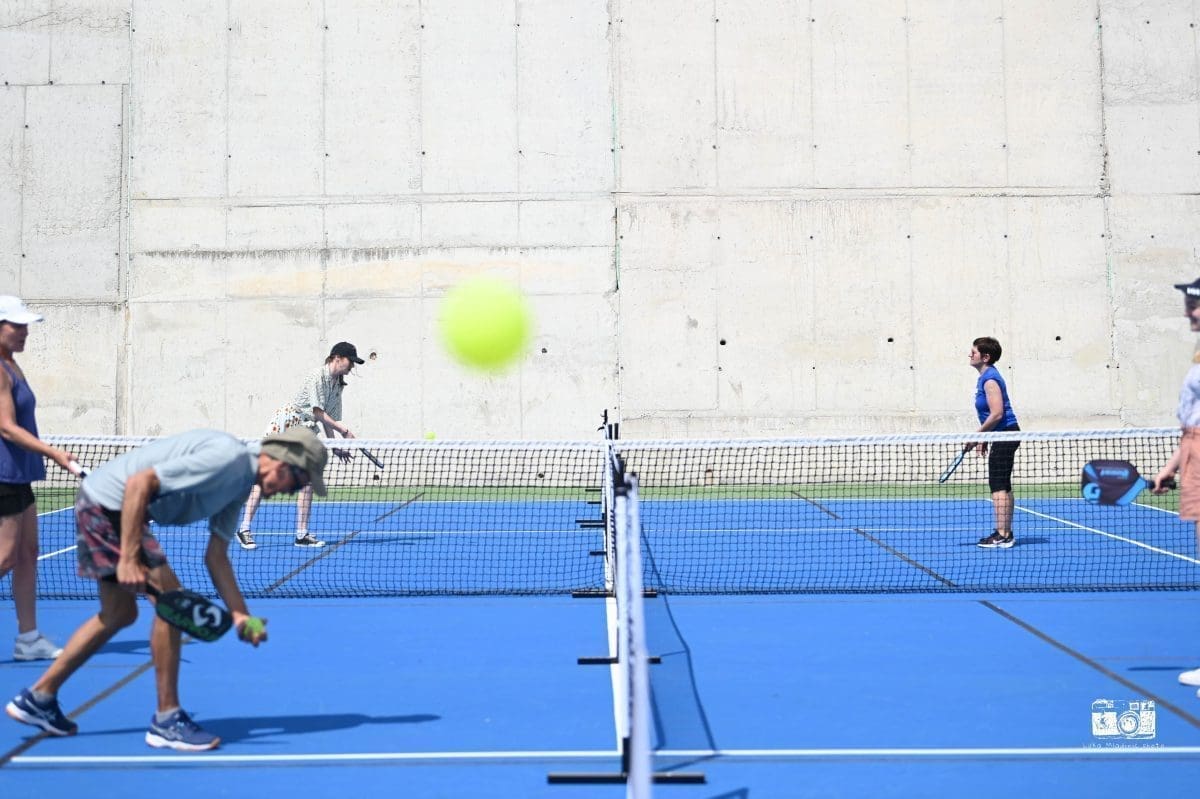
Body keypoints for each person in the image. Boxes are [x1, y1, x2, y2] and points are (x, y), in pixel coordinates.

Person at [5, 427, 327, 749]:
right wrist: (130, 558)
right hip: (111, 506)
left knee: (119, 614)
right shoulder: (229, 459)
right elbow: (139, 483)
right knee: (174, 605)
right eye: (297, 484)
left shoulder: (241, 484)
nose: (290, 493)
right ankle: (167, 719)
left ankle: (39, 697)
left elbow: (216, 556)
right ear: (284, 464)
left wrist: (242, 616)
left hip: (112, 506)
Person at [0, 296, 79, 661]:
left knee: (28, 554)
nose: (25, 332)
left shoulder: (12, 365)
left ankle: (28, 639)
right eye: (17, 325)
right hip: (3, 477)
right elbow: (6, 428)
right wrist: (54, 453)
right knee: (3, 558)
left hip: (19, 477)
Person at [236, 342, 363, 550]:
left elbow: (326, 418)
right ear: (337, 358)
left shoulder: (337, 386)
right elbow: (317, 412)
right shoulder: (316, 377)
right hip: (286, 425)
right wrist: (343, 431)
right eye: (350, 362)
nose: (351, 368)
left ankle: (301, 534)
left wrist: (335, 445)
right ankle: (244, 529)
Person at [1152, 278, 1200, 694]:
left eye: (1195, 304)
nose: (1188, 311)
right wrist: (1171, 468)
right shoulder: (1198, 353)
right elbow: (1192, 426)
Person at [968, 336, 1022, 549]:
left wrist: (977, 436)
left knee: (998, 485)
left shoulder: (990, 379)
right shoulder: (985, 377)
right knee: (1003, 484)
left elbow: (998, 413)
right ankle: (1005, 533)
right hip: (1001, 435)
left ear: (985, 356)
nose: (970, 355)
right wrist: (986, 436)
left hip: (1006, 434)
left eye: (973, 352)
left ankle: (1001, 534)